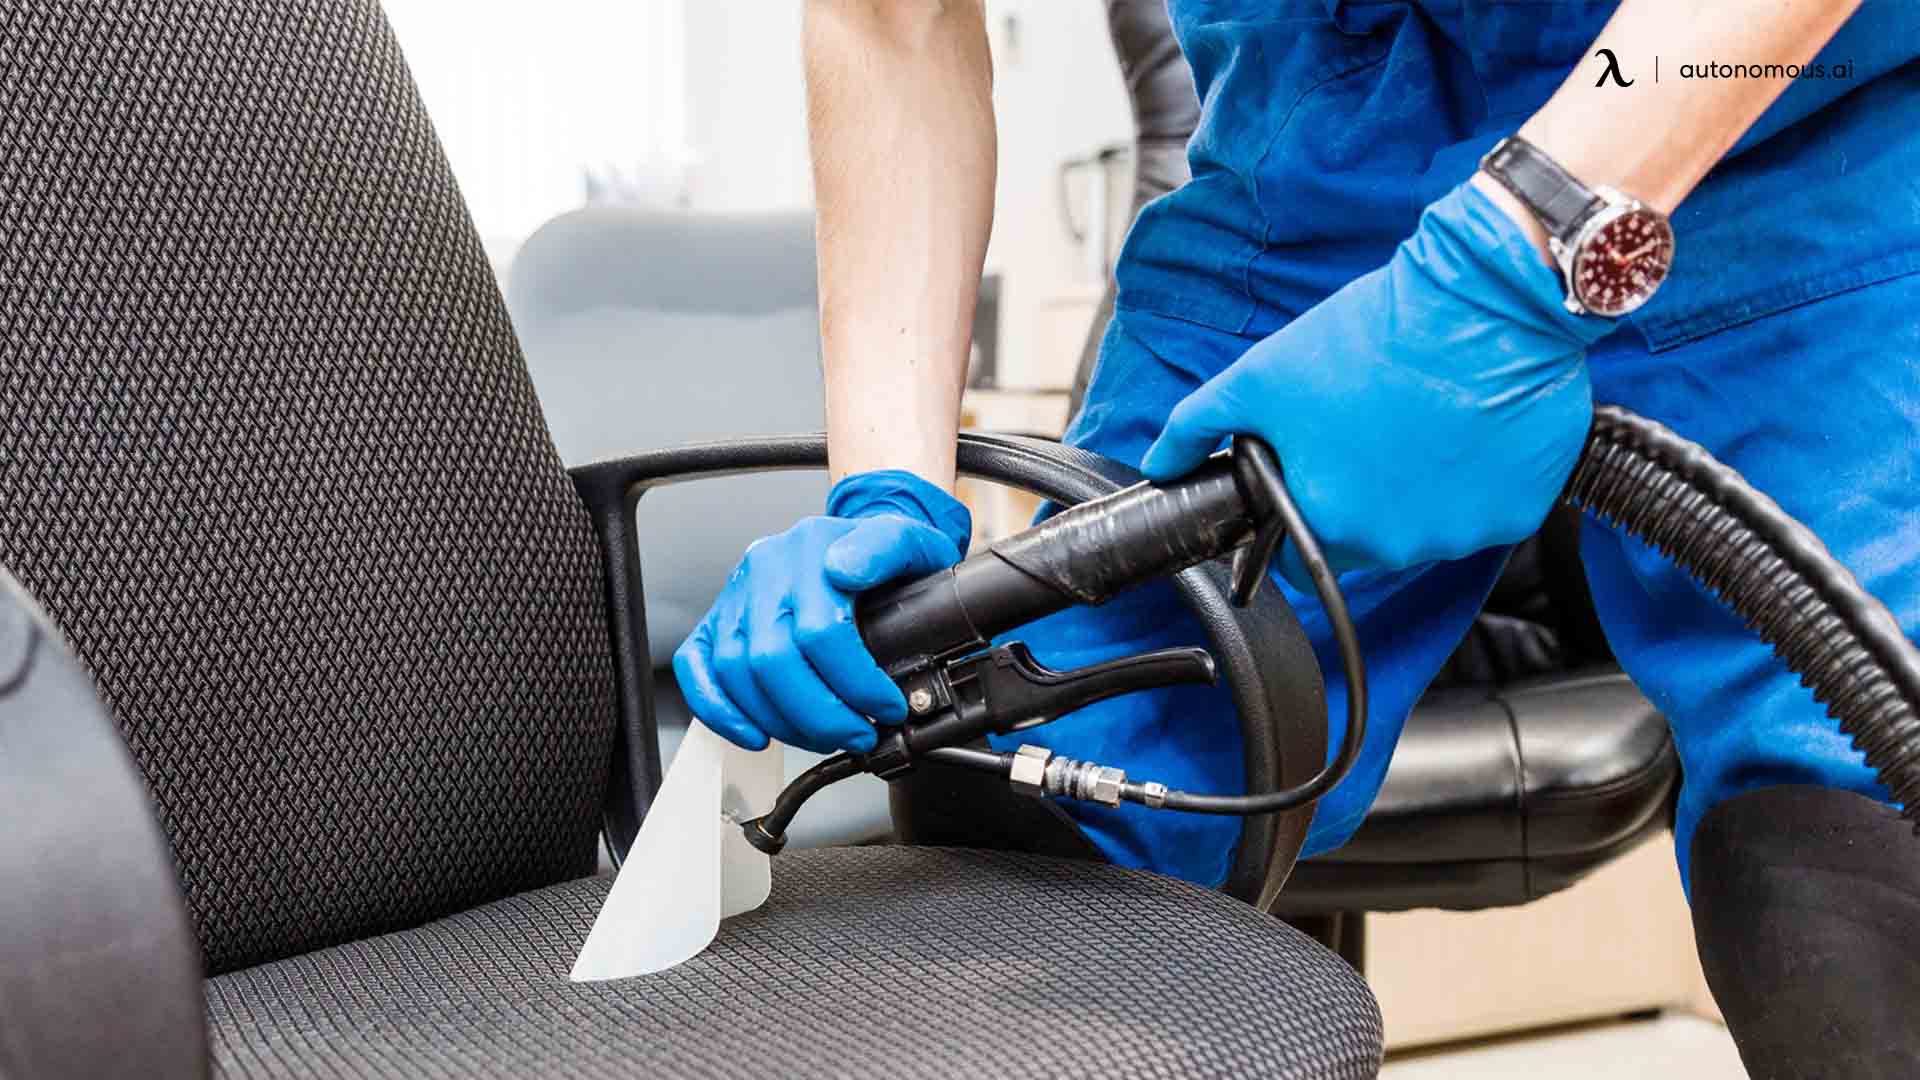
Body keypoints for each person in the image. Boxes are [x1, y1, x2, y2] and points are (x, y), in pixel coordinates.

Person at [676, 1, 1920, 1069]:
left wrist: (1519, 246)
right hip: (1316, 177)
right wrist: (888, 489)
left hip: (1791, 126)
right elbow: (891, 23)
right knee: (1034, 797)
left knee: (1858, 852)